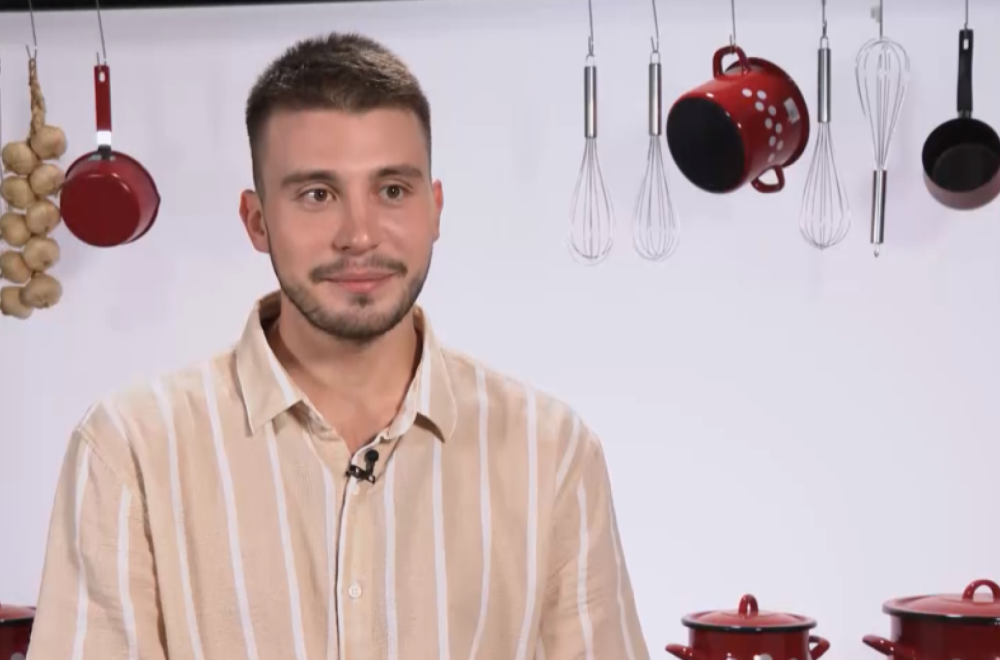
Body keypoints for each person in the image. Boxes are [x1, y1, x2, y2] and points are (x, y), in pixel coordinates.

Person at [26, 32, 649, 660]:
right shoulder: (130, 450)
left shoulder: (552, 454)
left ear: (434, 209)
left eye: (392, 190)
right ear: (257, 221)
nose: (359, 235)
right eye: (317, 195)